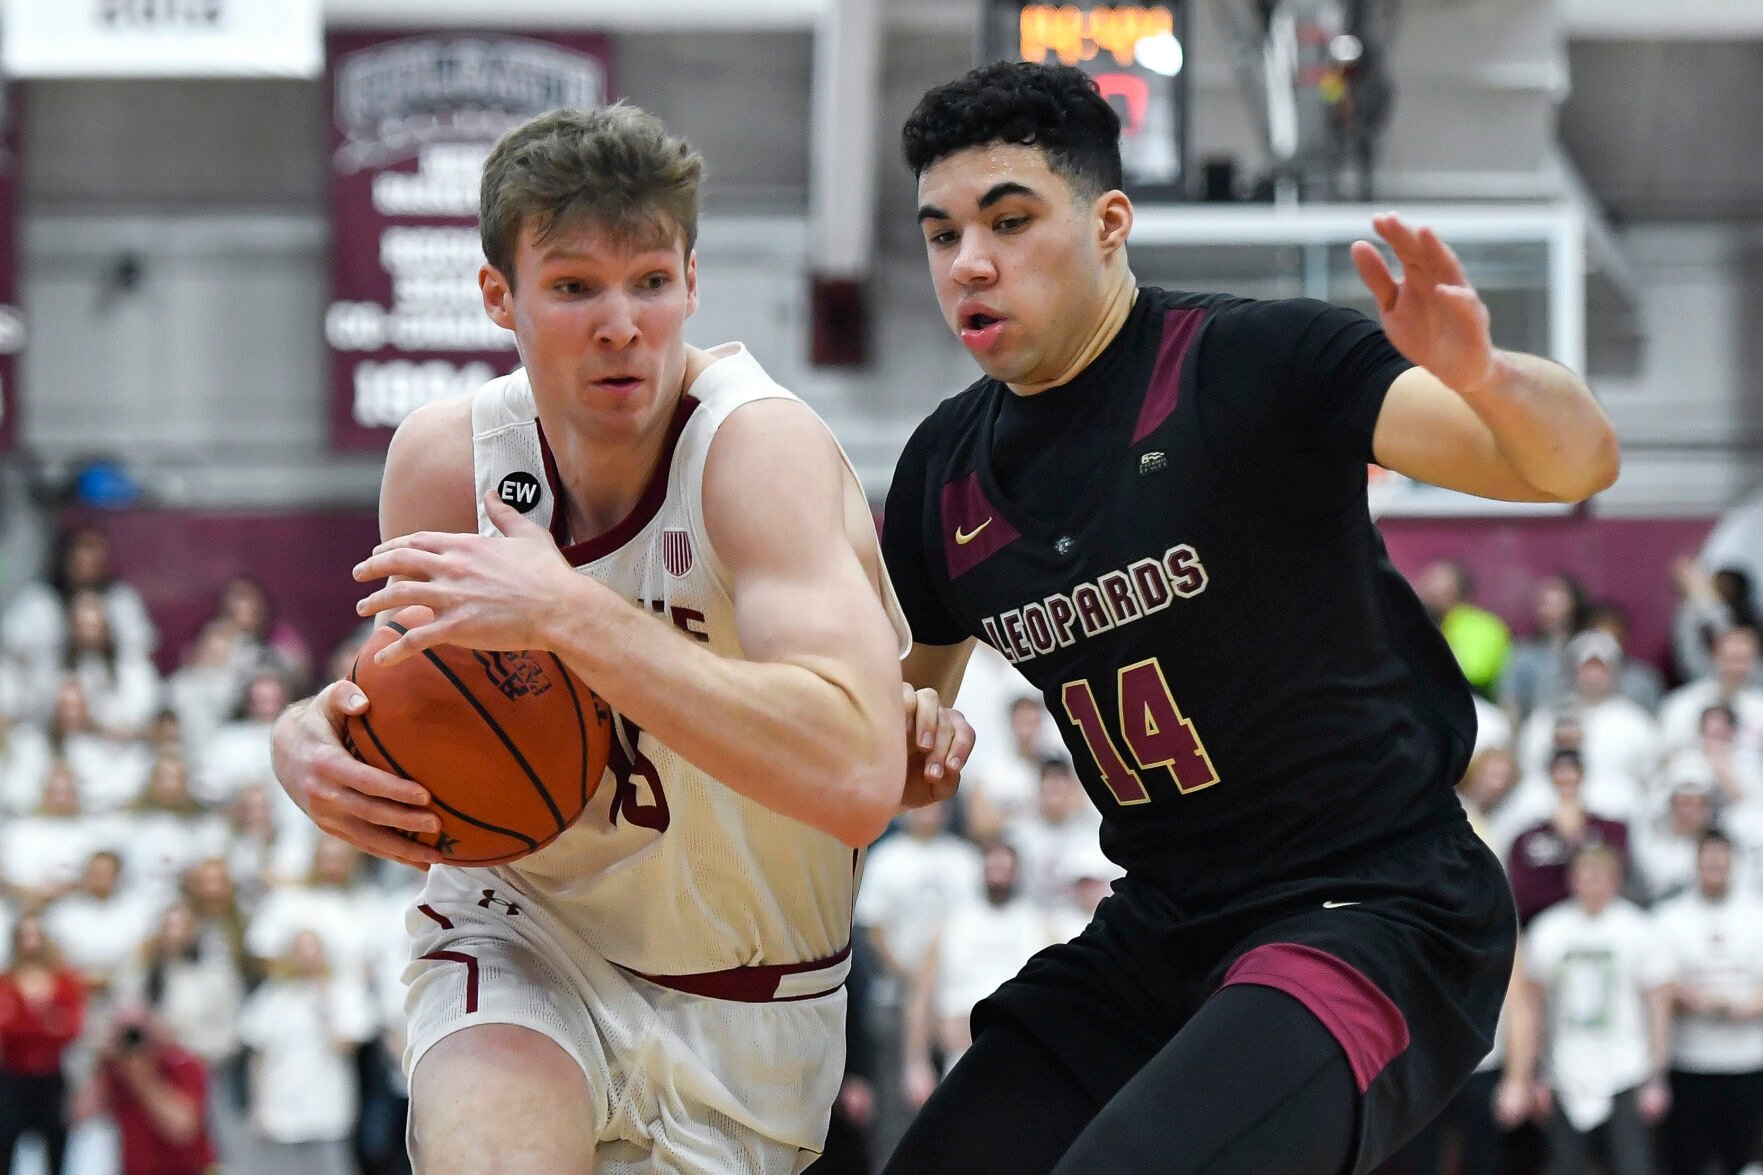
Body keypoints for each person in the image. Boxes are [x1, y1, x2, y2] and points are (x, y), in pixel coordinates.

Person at [878, 60, 1618, 1174]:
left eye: (1010, 219)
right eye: (940, 235)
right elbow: (887, 735)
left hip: (1376, 905)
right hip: (1163, 925)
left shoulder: (1251, 362)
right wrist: (904, 754)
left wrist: (1486, 376)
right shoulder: (941, 470)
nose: (969, 262)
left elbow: (1572, 461)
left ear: (1109, 223)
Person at [269, 103, 969, 1175]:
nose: (619, 323)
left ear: (691, 282)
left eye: (649, 280)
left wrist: (570, 614)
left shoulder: (756, 453)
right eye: (573, 286)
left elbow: (857, 776)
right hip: (523, 933)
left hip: (750, 994)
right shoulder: (445, 464)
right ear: (498, 296)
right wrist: (314, 734)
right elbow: (430, 708)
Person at [1517, 845, 1673, 1175]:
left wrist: (1656, 1077)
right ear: (1572, 881)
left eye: (1600, 877)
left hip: (1627, 1072)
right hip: (1564, 1072)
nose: (1592, 885)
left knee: (1633, 1165)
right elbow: (1533, 1009)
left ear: (1615, 881)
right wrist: (1535, 1075)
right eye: (1585, 877)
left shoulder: (1639, 929)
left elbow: (1659, 1008)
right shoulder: (1549, 930)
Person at [1653, 830, 1763, 1175]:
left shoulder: (1756, 914)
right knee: (1687, 1159)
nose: (1715, 866)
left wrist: (1745, 1006)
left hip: (1748, 1062)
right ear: (1696, 863)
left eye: (1721, 860)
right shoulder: (1669, 918)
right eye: (1708, 860)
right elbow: (1660, 983)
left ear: (1733, 863)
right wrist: (1696, 1000)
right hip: (1689, 1062)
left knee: (1743, 1160)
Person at [0, 913, 85, 1175]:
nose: (31, 943)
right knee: (6, 1140)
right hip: (12, 1075)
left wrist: (26, 1022)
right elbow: (6, 1030)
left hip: (52, 1075)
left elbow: (71, 1029)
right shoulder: (6, 983)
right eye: (25, 936)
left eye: (36, 935)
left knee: (57, 1141)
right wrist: (46, 1023)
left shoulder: (63, 982)